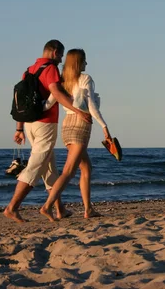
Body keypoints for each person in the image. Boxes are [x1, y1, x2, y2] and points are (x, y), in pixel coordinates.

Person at [4, 40, 92, 223]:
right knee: (36, 165)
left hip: (29, 124)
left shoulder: (29, 70)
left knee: (49, 168)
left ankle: (60, 209)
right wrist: (77, 111)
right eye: (60, 55)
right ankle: (12, 207)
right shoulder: (50, 68)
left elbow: (21, 101)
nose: (61, 60)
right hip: (45, 124)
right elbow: (56, 93)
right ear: (54, 52)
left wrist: (19, 128)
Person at [39, 48, 112, 221]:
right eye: (85, 60)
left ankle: (88, 209)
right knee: (69, 171)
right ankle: (47, 206)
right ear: (79, 63)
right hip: (81, 124)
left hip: (67, 125)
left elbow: (48, 104)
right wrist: (104, 127)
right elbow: (91, 106)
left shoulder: (62, 81)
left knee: (86, 167)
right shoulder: (86, 79)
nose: (87, 64)